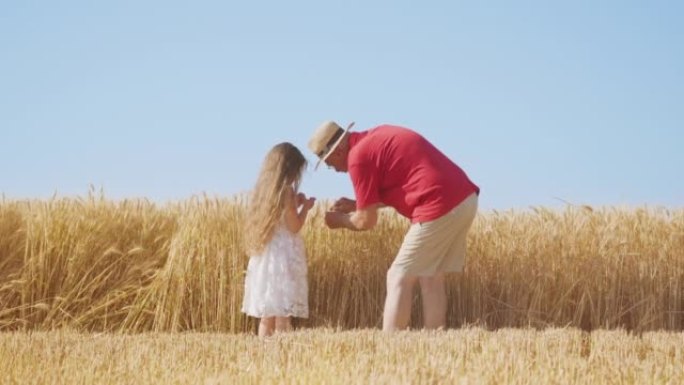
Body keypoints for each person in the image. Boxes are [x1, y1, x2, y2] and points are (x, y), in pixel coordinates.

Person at [308, 121, 479, 332]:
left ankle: (391, 345)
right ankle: (436, 340)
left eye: (328, 161)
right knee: (431, 276)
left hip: (438, 204)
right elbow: (405, 183)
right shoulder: (376, 136)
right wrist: (359, 203)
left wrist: (339, 221)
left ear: (339, 149)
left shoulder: (357, 158)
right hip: (464, 198)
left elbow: (365, 221)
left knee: (398, 276)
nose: (333, 169)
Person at [242, 142, 316, 338]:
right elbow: (294, 226)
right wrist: (306, 208)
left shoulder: (264, 191)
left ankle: (263, 354)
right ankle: (283, 356)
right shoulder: (287, 191)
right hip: (284, 259)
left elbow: (280, 216)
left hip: (265, 258)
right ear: (289, 169)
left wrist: (295, 203)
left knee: (267, 315)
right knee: (283, 314)